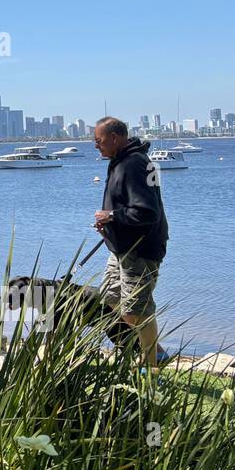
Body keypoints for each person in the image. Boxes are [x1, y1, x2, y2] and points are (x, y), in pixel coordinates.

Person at [93, 117, 168, 368]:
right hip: (122, 248)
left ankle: (150, 366)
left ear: (114, 138)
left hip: (140, 249)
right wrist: (110, 221)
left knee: (136, 310)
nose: (96, 146)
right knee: (111, 298)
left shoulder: (135, 163)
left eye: (99, 141)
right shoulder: (121, 161)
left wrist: (112, 215)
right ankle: (156, 350)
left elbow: (149, 212)